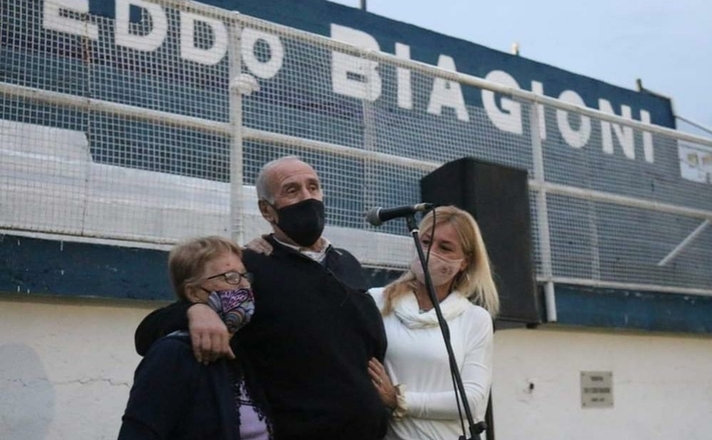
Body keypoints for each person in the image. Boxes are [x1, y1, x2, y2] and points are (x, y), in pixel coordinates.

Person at [134, 156, 389, 440]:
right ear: (267, 210)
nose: (307, 197)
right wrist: (195, 311)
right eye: (292, 190)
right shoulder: (251, 267)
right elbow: (146, 334)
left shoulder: (347, 262)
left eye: (313, 187)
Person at [366, 206, 499, 440]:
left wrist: (400, 399)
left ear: (464, 261)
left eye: (445, 248)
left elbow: (473, 400)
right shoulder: (377, 301)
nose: (430, 252)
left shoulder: (474, 319)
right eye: (426, 242)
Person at [119, 236, 270, 440]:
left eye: (244, 276)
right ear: (193, 292)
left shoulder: (244, 348)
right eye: (231, 277)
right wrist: (193, 311)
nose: (244, 285)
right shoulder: (174, 353)